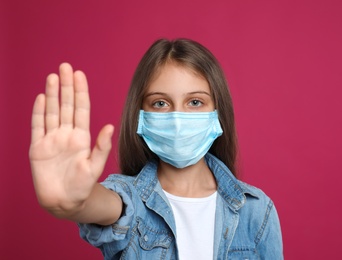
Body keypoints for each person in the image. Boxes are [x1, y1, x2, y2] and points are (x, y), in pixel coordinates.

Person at [29, 38, 283, 259]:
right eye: (160, 103)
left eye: (195, 102)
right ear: (140, 114)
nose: (176, 118)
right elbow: (107, 205)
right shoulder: (129, 198)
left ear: (218, 112)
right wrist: (76, 202)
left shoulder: (256, 211)